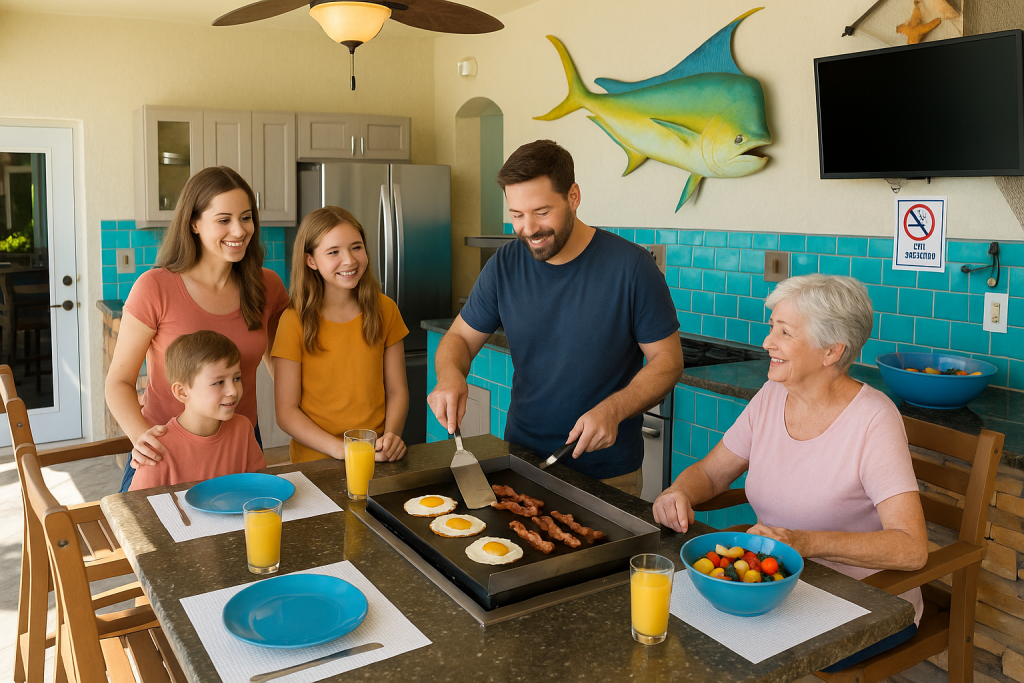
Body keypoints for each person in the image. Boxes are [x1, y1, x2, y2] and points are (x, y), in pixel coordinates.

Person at [653, 273, 928, 671]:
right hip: (775, 585)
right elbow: (712, 474)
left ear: (831, 351)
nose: (767, 343)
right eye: (771, 328)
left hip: (861, 599)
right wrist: (677, 491)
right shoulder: (771, 395)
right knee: (675, 625)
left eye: (784, 332)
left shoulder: (874, 419)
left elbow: (912, 547)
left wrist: (803, 541)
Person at [428, 140, 683, 496]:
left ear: (574, 197)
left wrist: (614, 410)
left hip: (607, 476)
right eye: (516, 214)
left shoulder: (632, 268)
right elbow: (458, 339)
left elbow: (668, 361)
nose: (528, 228)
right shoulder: (503, 266)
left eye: (542, 212)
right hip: (521, 464)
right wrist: (450, 375)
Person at [105, 166, 289, 492]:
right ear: (194, 223)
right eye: (223, 219)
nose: (239, 229)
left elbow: (282, 364)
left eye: (246, 217)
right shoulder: (155, 287)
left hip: (239, 443)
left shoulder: (268, 287)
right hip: (166, 452)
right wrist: (141, 437)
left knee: (246, 539)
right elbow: (118, 382)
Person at [272, 206, 409, 463]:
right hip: (315, 463)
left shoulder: (386, 309)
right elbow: (286, 412)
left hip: (375, 455)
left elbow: (397, 391)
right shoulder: (294, 321)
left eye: (356, 247)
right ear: (310, 260)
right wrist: (342, 450)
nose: (349, 260)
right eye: (333, 252)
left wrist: (391, 437)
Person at [128, 331, 266, 490]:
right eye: (219, 382)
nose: (233, 391)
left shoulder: (243, 428)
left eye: (236, 378)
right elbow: (138, 510)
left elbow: (259, 487)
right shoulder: (156, 449)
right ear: (182, 392)